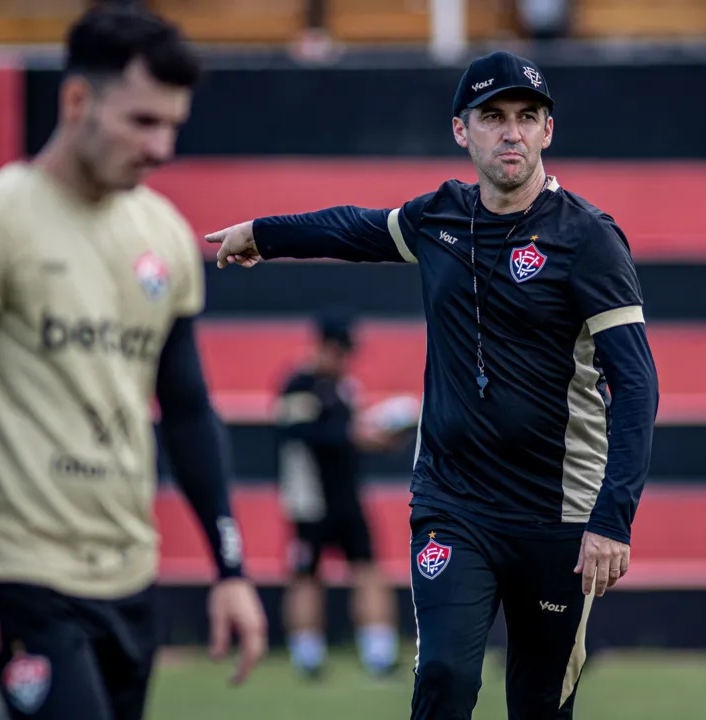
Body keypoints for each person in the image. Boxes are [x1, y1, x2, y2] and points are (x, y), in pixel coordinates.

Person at [206, 50, 660, 720]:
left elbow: (638, 387)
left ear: (547, 132)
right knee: (445, 677)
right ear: (461, 130)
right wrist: (261, 234)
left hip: (558, 515)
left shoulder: (589, 240)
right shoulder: (438, 219)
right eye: (493, 117)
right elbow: (352, 229)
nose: (511, 131)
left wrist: (612, 519)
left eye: (527, 117)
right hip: (456, 505)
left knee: (539, 703)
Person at [0, 7, 266, 719]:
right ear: (77, 101)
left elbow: (189, 411)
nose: (161, 146)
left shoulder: (161, 233)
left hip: (131, 579)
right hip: (23, 576)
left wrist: (230, 569)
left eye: (172, 125)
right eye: (141, 122)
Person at [276, 307, 416, 679]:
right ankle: (306, 656)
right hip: (309, 499)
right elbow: (299, 434)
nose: (344, 359)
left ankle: (379, 654)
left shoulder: (344, 387)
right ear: (322, 347)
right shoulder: (298, 384)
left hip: (346, 495)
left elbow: (351, 436)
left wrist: (379, 441)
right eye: (339, 350)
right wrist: (352, 436)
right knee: (306, 574)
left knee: (368, 569)